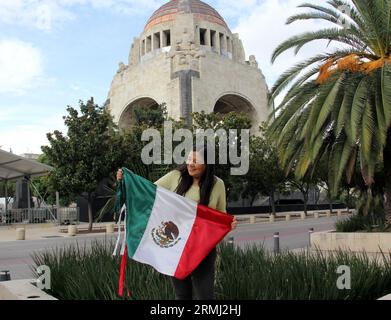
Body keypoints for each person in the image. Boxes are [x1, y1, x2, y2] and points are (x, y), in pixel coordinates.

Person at [116, 145, 237, 300]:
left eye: (196, 161)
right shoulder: (175, 176)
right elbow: (149, 192)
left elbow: (222, 215)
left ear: (208, 164)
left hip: (203, 250)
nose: (190, 164)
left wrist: (229, 224)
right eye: (188, 159)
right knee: (182, 296)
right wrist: (127, 179)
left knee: (206, 296)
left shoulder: (217, 184)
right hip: (176, 248)